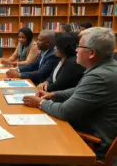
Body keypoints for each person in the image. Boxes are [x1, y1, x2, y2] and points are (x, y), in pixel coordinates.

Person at [23, 27, 117, 161]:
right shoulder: (107, 67)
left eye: (80, 46)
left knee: (32, 141)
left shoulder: (99, 76)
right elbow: (79, 90)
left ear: (91, 53)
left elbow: (64, 111)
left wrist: (41, 102)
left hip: (91, 144)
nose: (76, 50)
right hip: (85, 127)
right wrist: (54, 94)